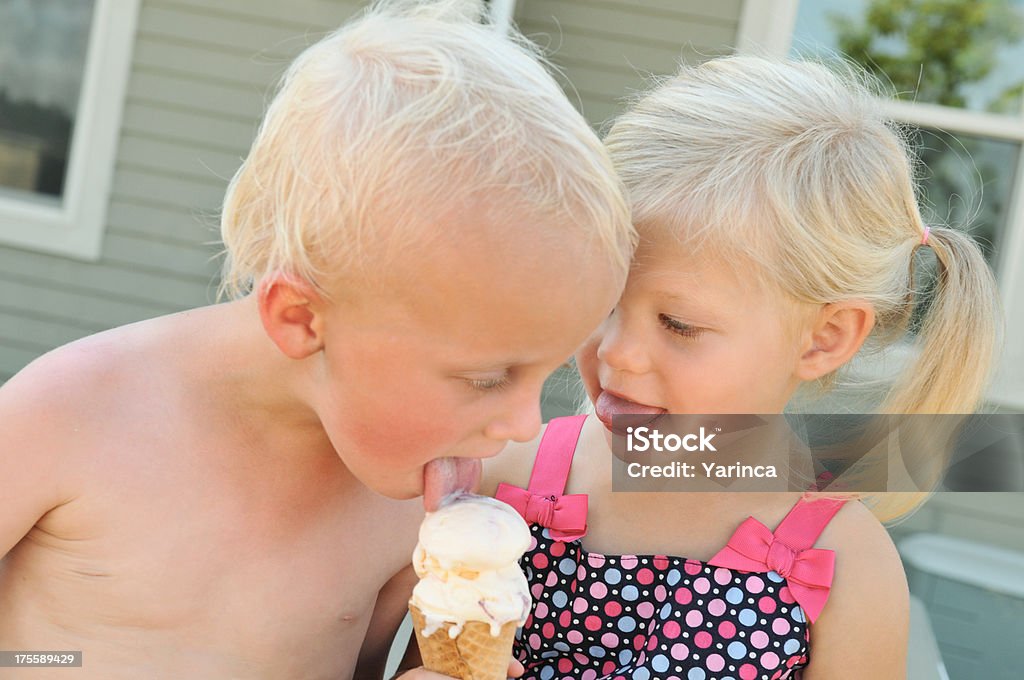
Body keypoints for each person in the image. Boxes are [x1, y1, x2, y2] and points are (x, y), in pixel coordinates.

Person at [0, 1, 636, 678]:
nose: (521, 422)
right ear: (303, 318)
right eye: (486, 379)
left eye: (545, 376)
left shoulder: (401, 504)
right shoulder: (71, 413)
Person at [483, 55, 1000, 679]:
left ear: (824, 339)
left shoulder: (845, 568)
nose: (615, 351)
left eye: (679, 325)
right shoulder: (504, 481)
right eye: (601, 299)